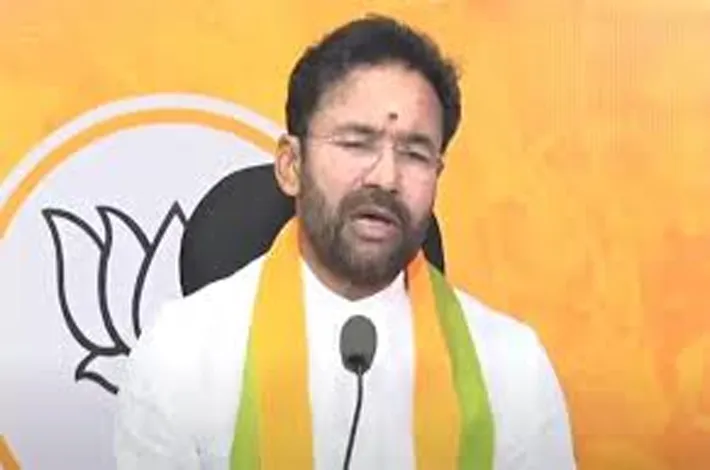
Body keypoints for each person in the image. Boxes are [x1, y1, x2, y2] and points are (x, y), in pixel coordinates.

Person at [115, 14, 576, 470]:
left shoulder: (512, 368)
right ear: (291, 166)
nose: (387, 177)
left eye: (415, 153)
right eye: (357, 143)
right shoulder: (182, 352)